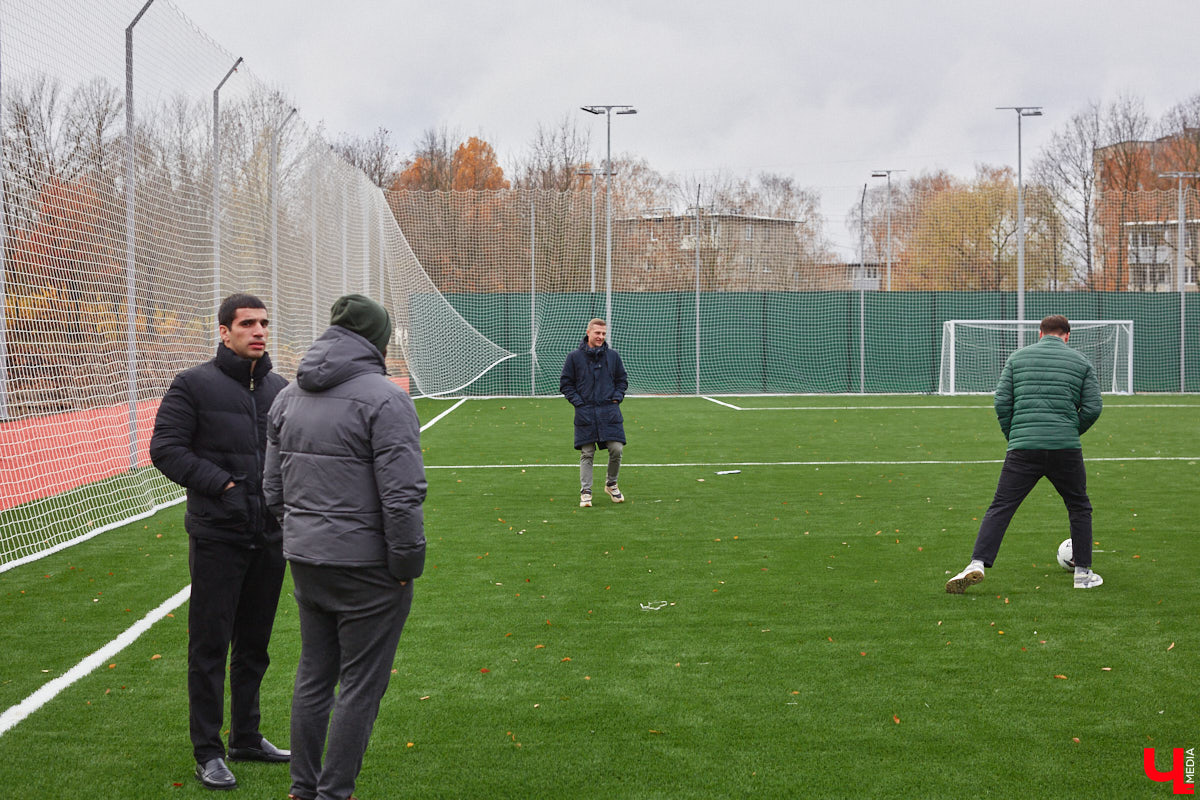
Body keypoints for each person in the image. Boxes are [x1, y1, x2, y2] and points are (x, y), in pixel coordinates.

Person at [263, 294, 426, 800]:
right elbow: (402, 495)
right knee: (360, 686)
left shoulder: (287, 395)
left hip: (308, 561)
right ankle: (334, 792)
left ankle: (302, 788)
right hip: (367, 567)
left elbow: (273, 490)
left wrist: (306, 536)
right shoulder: (386, 397)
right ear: (378, 340)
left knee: (314, 678)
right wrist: (405, 564)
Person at [149, 293, 291, 791]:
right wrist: (225, 486)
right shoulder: (193, 385)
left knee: (254, 646)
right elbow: (165, 449)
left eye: (264, 323)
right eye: (247, 323)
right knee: (210, 647)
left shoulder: (281, 388)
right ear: (224, 331)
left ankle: (246, 737)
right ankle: (207, 751)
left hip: (270, 536)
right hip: (218, 537)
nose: (258, 331)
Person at [946, 314, 1104, 594]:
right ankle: (1082, 573)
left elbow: (1001, 403)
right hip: (1065, 448)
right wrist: (1068, 430)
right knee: (1079, 507)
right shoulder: (1081, 362)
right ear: (1067, 336)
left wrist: (1015, 435)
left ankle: (977, 563)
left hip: (1022, 447)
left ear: (1040, 333)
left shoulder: (1017, 359)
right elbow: (1093, 408)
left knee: (1001, 507)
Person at [560, 318, 629, 507]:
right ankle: (586, 491)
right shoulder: (574, 357)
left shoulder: (613, 356)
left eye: (604, 334)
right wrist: (579, 403)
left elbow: (622, 380)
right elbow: (566, 384)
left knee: (617, 448)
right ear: (588, 332)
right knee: (587, 452)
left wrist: (616, 397)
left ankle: (611, 484)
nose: (601, 337)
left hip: (609, 411)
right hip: (586, 412)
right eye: (597, 333)